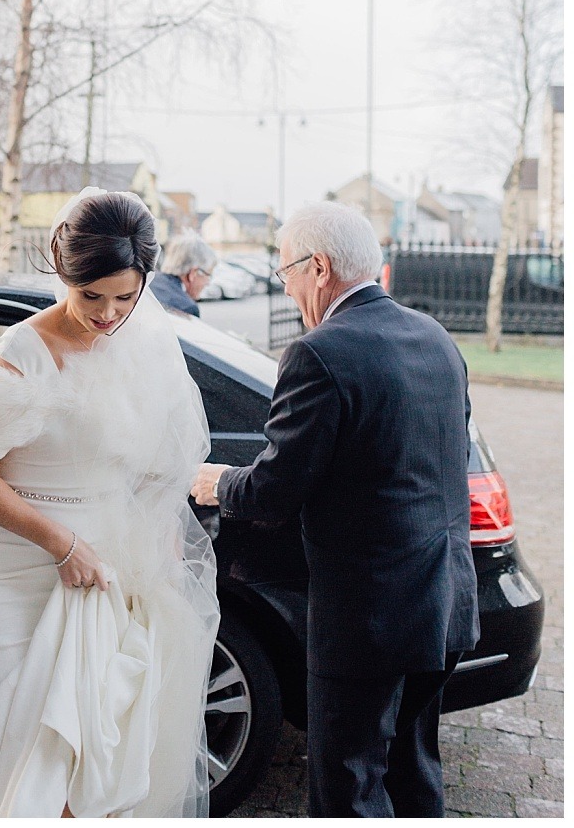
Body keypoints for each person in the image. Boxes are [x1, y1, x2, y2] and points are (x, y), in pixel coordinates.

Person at [0, 188, 220, 818]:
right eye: (92, 296)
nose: (109, 313)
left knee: (100, 761)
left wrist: (154, 535)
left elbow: (152, 461)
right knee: (21, 749)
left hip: (109, 574)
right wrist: (61, 543)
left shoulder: (145, 348)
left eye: (126, 297)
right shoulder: (13, 359)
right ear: (63, 271)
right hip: (16, 577)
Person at [191, 201, 480, 818]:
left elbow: (274, 490)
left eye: (286, 271)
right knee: (412, 768)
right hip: (447, 602)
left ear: (318, 267)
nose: (287, 285)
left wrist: (219, 482)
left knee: (346, 782)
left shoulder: (319, 352)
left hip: (370, 617)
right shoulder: (434, 336)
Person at [149, 233, 217, 317]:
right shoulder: (186, 307)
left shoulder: (147, 281)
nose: (208, 283)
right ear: (193, 273)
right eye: (208, 275)